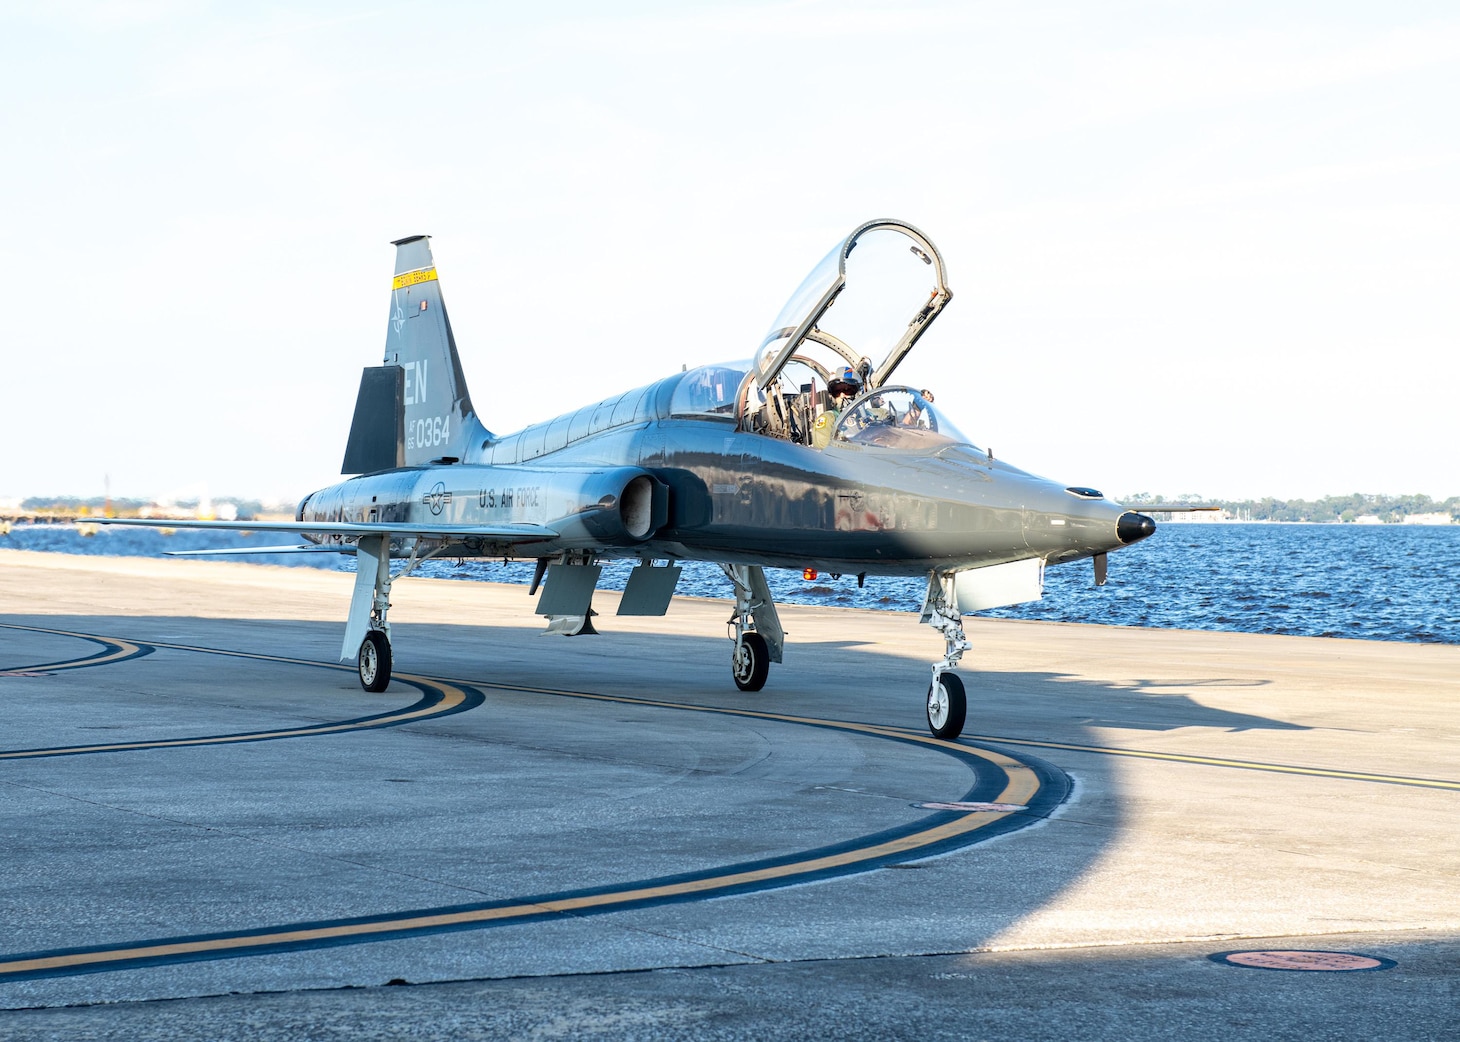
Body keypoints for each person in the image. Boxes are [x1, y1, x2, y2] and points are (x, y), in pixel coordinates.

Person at [811, 367, 862, 448]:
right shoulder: (829, 418)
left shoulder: (870, 416)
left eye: (847, 390)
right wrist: (861, 449)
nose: (842, 396)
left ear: (858, 392)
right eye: (837, 392)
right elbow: (823, 446)